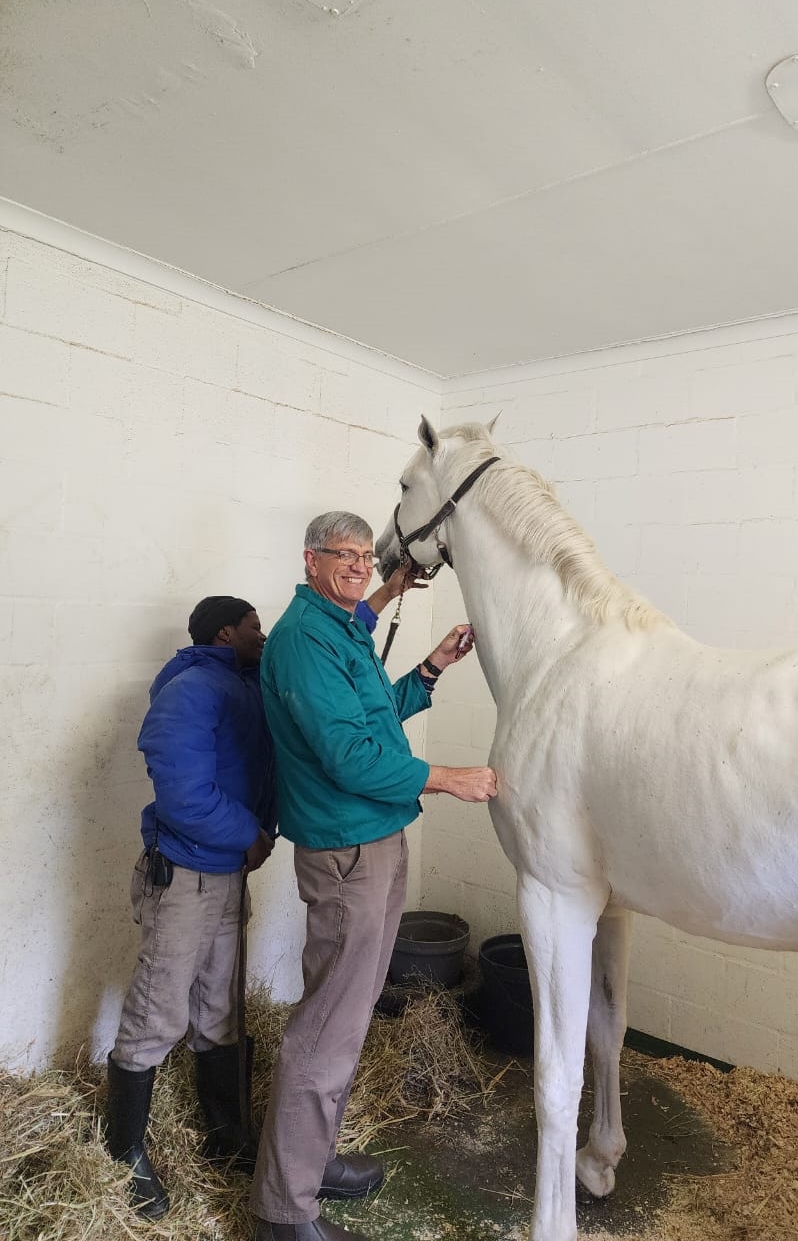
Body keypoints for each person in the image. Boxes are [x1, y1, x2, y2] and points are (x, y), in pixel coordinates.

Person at [250, 512, 498, 1241]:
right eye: (345, 555)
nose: (361, 566)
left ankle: (311, 1159)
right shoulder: (303, 642)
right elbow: (351, 761)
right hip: (348, 852)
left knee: (347, 1018)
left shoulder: (340, 626)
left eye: (366, 554)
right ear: (310, 559)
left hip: (376, 839)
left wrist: (430, 670)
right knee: (325, 1028)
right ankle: (283, 1213)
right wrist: (448, 778)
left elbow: (375, 723)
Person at [106, 596, 277, 1218]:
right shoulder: (190, 691)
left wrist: (381, 600)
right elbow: (183, 795)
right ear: (226, 632)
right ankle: (122, 1153)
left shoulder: (244, 684)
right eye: (255, 626)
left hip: (227, 873)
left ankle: (227, 1137)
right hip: (183, 875)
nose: (264, 635)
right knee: (158, 1011)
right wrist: (251, 834)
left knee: (220, 1007)